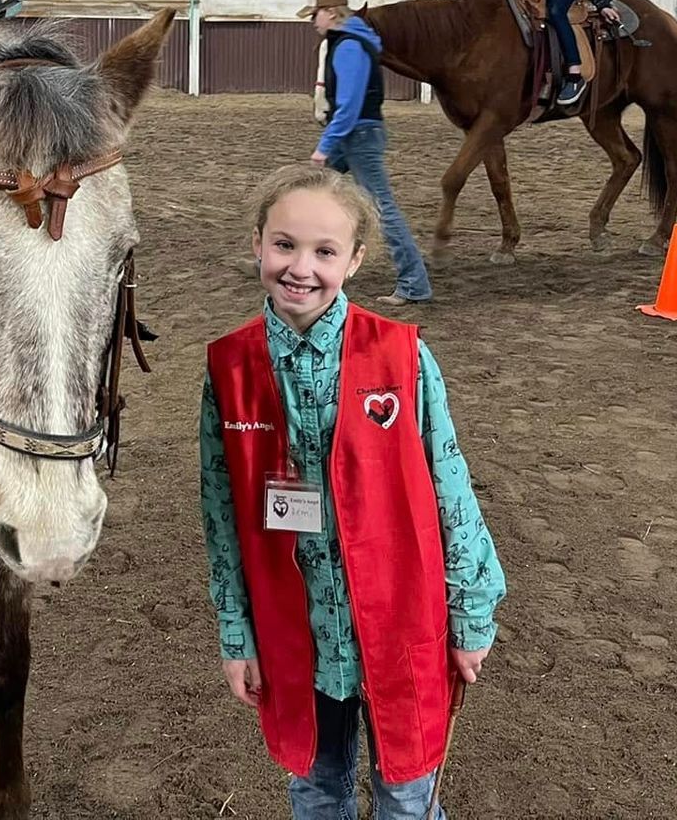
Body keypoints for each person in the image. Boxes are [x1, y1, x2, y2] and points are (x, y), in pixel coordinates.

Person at [199, 165, 505, 820]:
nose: (300, 267)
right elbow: (222, 514)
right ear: (257, 243)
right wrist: (237, 634)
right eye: (284, 245)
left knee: (407, 797)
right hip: (295, 637)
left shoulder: (402, 356)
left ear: (356, 259)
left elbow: (450, 486)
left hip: (401, 628)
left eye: (324, 251)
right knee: (315, 788)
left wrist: (472, 613)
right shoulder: (228, 370)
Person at [302, 0, 431, 307]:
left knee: (382, 208)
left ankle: (414, 283)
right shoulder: (350, 41)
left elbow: (348, 105)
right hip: (355, 134)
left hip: (357, 136)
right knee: (310, 191)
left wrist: (325, 145)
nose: (313, 21)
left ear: (331, 13)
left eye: (315, 14)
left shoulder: (348, 47)